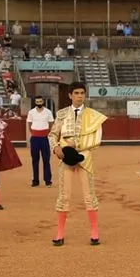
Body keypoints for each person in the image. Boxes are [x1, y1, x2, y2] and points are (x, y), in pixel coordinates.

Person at [49, 82, 109, 246]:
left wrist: (77, 146)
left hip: (85, 157)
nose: (80, 96)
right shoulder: (61, 114)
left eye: (82, 93)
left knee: (89, 195)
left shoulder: (93, 115)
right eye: (76, 93)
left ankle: (94, 233)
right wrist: (55, 148)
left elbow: (96, 140)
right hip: (65, 158)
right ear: (70, 95)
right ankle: (60, 233)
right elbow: (52, 134)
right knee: (64, 195)